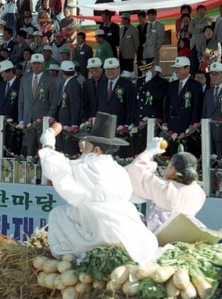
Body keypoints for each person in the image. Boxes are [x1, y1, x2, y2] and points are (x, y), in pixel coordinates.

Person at [38, 112, 159, 263]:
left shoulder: (85, 166)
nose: (82, 146)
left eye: (86, 143)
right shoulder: (118, 170)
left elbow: (55, 167)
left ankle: (70, 255)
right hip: (126, 232)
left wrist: (49, 143)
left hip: (97, 231)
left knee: (58, 214)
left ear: (96, 150)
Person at [128, 148, 206, 231]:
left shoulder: (163, 186)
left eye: (168, 166)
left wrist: (149, 152)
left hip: (160, 232)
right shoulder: (199, 192)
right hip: (188, 231)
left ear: (173, 169)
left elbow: (136, 171)